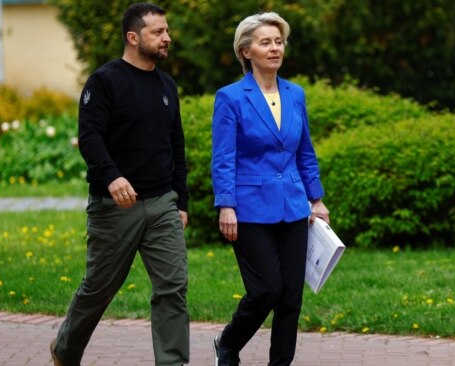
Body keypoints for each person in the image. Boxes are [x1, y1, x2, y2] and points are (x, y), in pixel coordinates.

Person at [50, 3, 190, 366]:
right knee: (99, 289)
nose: (167, 38)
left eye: (167, 31)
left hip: (161, 202)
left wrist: (182, 201)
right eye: (158, 32)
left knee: (172, 287)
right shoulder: (105, 81)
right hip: (115, 208)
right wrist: (112, 177)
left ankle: (172, 362)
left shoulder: (166, 85)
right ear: (133, 37)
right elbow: (90, 136)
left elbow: (176, 144)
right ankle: (65, 351)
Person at [210, 11, 330, 366]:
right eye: (266, 42)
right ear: (246, 51)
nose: (275, 48)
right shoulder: (230, 97)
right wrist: (226, 205)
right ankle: (228, 343)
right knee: (266, 290)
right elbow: (223, 158)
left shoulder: (296, 94)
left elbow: (305, 152)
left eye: (279, 41)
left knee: (291, 297)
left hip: (294, 206)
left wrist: (316, 199)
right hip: (248, 209)